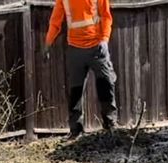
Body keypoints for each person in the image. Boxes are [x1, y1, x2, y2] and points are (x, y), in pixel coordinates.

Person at [43, 0, 117, 139]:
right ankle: (76, 130)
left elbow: (106, 16)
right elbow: (55, 22)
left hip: (97, 47)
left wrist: (105, 39)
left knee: (106, 84)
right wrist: (48, 43)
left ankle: (110, 125)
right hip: (75, 48)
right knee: (75, 91)